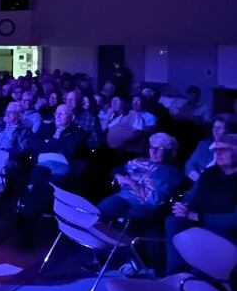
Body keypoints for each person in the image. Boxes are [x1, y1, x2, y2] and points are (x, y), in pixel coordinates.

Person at [165, 133, 237, 275]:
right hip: (199, 220)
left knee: (205, 235)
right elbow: (191, 198)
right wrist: (183, 207)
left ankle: (202, 276)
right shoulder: (210, 173)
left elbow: (234, 220)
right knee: (173, 222)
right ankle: (177, 273)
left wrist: (197, 216)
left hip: (225, 229)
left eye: (225, 149)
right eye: (216, 150)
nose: (218, 153)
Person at [97, 132, 184, 223]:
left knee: (131, 219)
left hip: (145, 206)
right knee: (103, 209)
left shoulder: (173, 173)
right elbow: (117, 169)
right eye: (152, 147)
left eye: (159, 148)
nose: (153, 152)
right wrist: (119, 176)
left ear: (170, 152)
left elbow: (157, 201)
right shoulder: (140, 161)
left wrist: (132, 183)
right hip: (124, 197)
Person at [184, 116, 235, 182]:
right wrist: (199, 179)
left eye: (219, 128)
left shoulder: (231, 151)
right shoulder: (203, 145)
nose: (215, 130)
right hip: (195, 182)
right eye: (214, 127)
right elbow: (189, 164)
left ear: (228, 131)